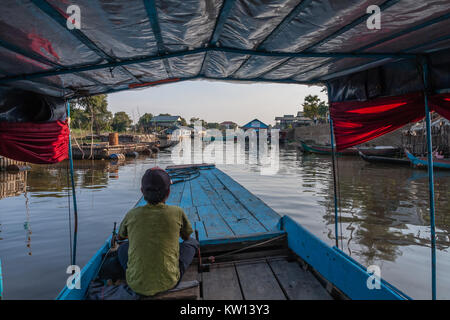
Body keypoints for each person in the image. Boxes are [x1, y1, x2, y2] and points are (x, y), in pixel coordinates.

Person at [116, 167, 199, 297]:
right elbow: (187, 237)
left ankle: (137, 276)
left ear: (142, 191)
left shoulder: (132, 214)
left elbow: (120, 237)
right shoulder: (177, 212)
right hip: (169, 282)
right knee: (192, 243)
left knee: (122, 249)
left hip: (135, 284)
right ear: (168, 192)